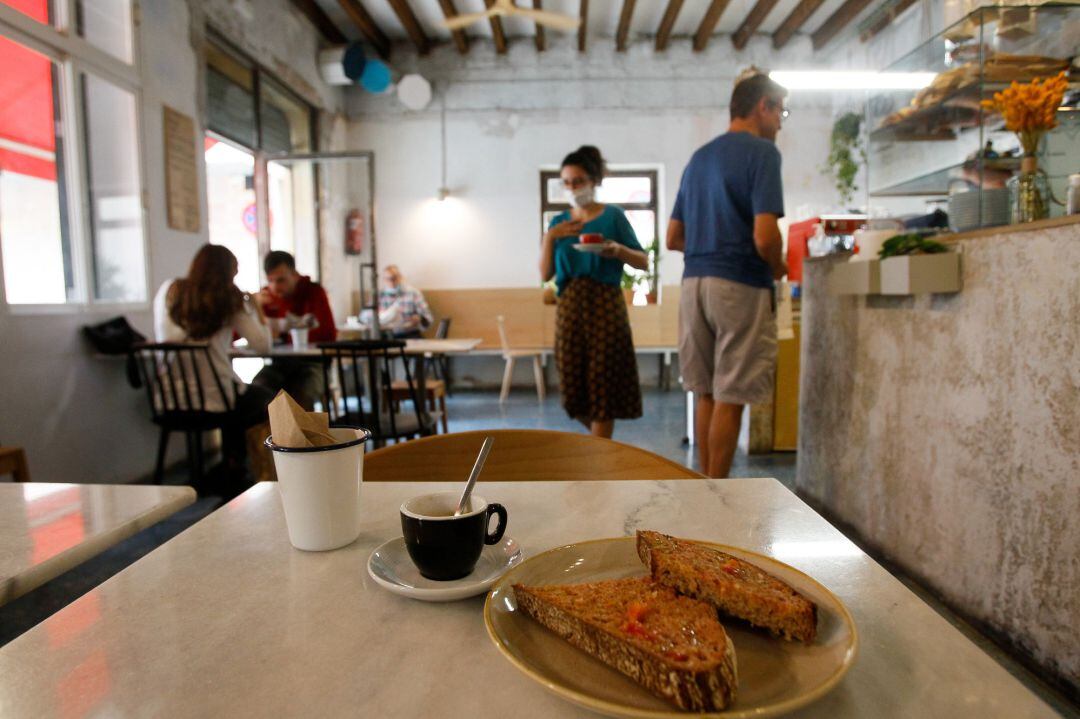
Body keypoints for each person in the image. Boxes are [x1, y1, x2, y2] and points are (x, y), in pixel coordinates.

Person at [667, 71, 789, 478]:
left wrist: (711, 247)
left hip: (693, 284)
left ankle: (705, 487)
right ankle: (717, 493)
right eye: (781, 112)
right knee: (731, 394)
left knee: (705, 391)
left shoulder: (698, 158)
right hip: (739, 284)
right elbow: (765, 235)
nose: (780, 122)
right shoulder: (763, 154)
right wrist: (778, 268)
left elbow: (673, 236)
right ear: (763, 106)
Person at [540, 145, 650, 438]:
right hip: (570, 308)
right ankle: (603, 448)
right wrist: (551, 237)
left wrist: (617, 251)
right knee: (572, 391)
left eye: (578, 181)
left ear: (593, 181)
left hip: (605, 305)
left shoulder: (612, 216)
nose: (572, 188)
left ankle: (598, 461)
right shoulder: (558, 223)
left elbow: (643, 260)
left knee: (603, 388)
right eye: (566, 182)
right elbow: (544, 274)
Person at [153, 244, 273, 474]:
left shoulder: (169, 290)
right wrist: (256, 307)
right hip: (216, 398)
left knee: (240, 400)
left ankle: (228, 466)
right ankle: (235, 464)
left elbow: (169, 337)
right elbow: (262, 345)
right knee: (263, 399)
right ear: (228, 273)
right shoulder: (229, 298)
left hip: (171, 399)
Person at [253, 251, 336, 410]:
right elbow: (241, 335)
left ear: (295, 275)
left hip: (314, 364)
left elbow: (328, 334)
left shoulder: (314, 292)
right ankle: (270, 434)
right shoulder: (266, 298)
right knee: (257, 391)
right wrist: (255, 307)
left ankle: (302, 435)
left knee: (302, 394)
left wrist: (284, 330)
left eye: (281, 280)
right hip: (280, 364)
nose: (275, 286)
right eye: (270, 281)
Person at [378, 265, 433, 339]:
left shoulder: (413, 293)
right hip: (387, 335)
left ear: (400, 277)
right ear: (383, 280)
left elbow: (428, 318)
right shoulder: (380, 295)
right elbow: (365, 317)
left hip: (409, 334)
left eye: (394, 278)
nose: (391, 281)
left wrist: (419, 318)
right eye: (388, 279)